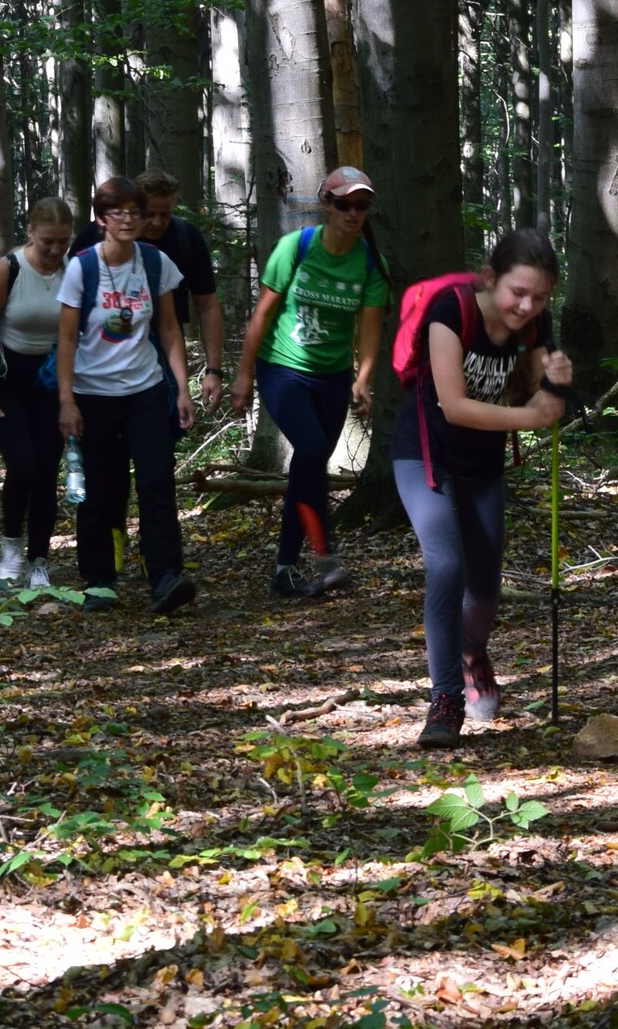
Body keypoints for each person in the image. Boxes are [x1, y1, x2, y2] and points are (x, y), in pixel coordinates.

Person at [391, 228, 572, 749]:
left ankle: (472, 652)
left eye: (539, 297)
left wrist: (555, 380)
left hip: (483, 464)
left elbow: (541, 392)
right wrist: (532, 416)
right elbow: (454, 405)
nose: (527, 306)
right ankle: (446, 698)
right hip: (426, 456)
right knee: (447, 566)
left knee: (486, 589)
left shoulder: (533, 324)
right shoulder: (451, 311)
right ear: (490, 279)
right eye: (518, 292)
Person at [231, 166, 389, 601]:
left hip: (332, 377)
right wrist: (243, 375)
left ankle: (284, 569)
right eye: (343, 204)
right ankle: (326, 555)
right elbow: (262, 315)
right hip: (282, 368)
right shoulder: (295, 248)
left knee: (308, 465)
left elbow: (370, 327)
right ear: (327, 205)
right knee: (314, 449)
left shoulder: (370, 263)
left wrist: (363, 378)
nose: (352, 213)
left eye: (361, 205)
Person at [56, 177, 197, 617]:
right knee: (100, 488)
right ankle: (98, 580)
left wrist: (183, 388)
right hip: (92, 394)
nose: (129, 220)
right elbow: (66, 339)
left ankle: (166, 576)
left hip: (145, 390)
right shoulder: (81, 267)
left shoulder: (155, 262)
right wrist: (66, 401)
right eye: (118, 212)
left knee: (157, 481)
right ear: (101, 219)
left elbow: (169, 327)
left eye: (135, 212)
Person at [0, 197, 73, 590]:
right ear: (30, 232)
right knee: (23, 464)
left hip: (51, 383)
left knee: (47, 469)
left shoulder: (74, 271)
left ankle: (39, 561)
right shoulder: (10, 268)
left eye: (63, 241)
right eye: (48, 240)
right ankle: (11, 546)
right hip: (6, 383)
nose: (55, 249)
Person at [73, 167, 224, 407]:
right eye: (149, 214)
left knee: (165, 420)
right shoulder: (96, 236)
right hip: (99, 356)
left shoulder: (186, 238)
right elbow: (67, 306)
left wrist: (214, 370)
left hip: (164, 352)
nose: (157, 222)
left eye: (165, 214)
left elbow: (207, 305)